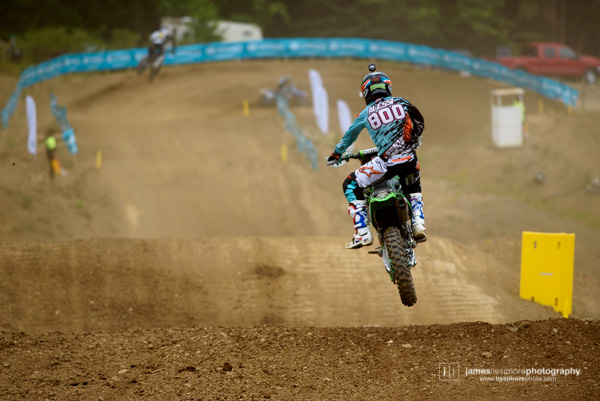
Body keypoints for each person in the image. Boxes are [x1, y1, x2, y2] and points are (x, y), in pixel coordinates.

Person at [326, 64, 426, 249]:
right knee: (414, 186)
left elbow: (349, 136)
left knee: (350, 184)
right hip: (409, 160)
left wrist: (336, 154)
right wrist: (415, 137)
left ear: (366, 93)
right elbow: (419, 119)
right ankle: (418, 223)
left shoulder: (365, 114)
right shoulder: (401, 102)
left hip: (387, 164)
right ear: (387, 87)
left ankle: (362, 232)